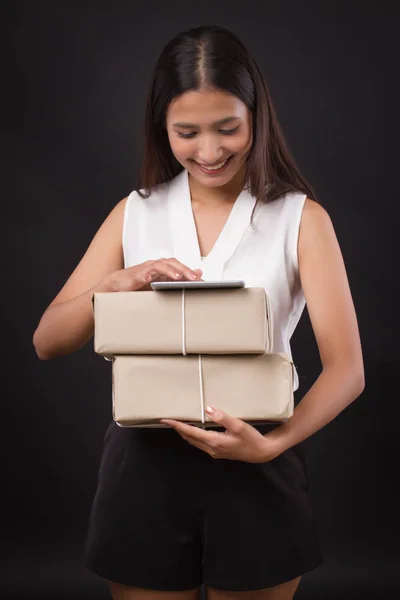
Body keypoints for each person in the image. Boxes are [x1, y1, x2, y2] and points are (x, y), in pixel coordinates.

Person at [33, 24, 365, 600]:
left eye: (228, 128)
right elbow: (47, 340)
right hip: (142, 466)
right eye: (187, 132)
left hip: (258, 455)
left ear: (256, 117)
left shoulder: (299, 218)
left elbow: (348, 369)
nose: (209, 152)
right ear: (162, 128)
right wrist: (114, 284)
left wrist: (272, 445)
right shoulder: (134, 213)